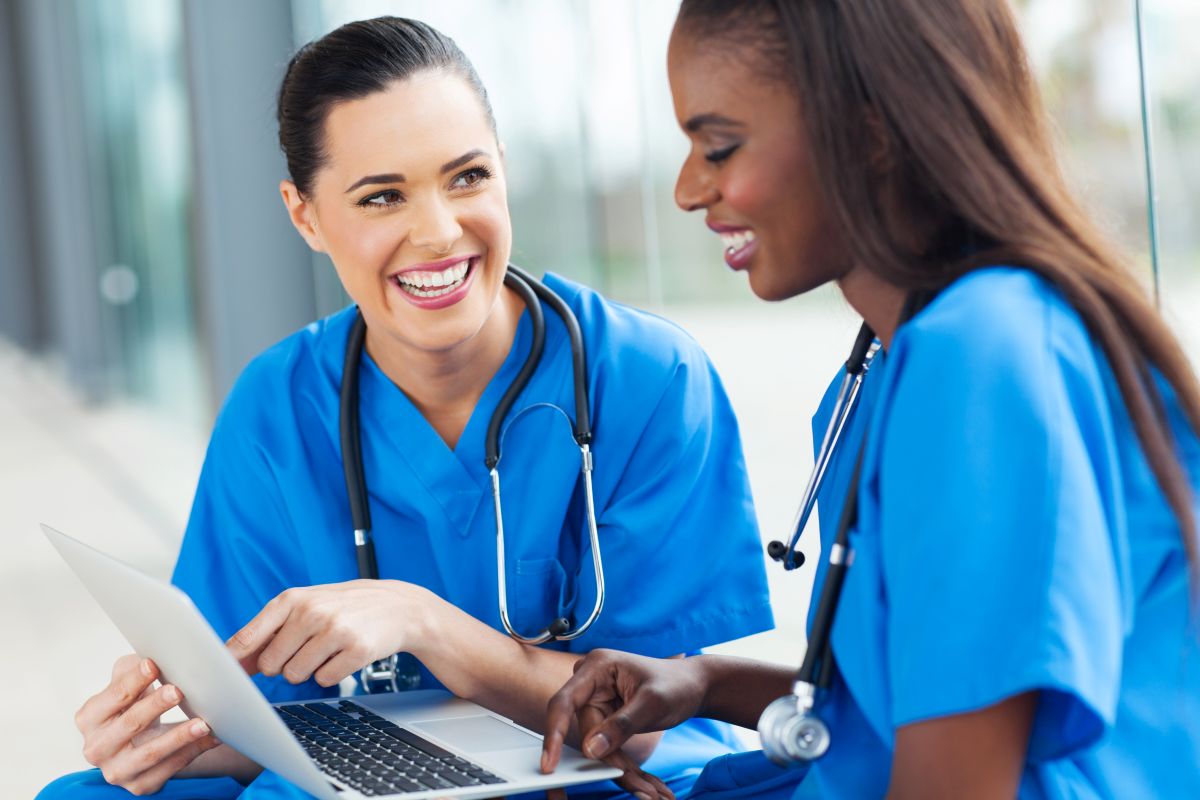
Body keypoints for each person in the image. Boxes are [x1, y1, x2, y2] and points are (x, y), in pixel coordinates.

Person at [37, 17, 774, 800]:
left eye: (467, 178)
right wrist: (168, 738)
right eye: (383, 197)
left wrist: (421, 621)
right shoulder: (279, 407)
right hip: (378, 769)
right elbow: (258, 716)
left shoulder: (645, 377)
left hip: (601, 771)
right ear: (305, 215)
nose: (439, 231)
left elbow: (649, 717)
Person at [540, 1, 1200, 798]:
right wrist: (706, 681)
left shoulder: (986, 357)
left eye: (718, 146)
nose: (687, 189)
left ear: (870, 130)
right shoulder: (898, 360)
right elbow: (907, 709)